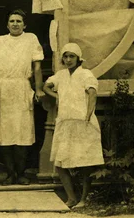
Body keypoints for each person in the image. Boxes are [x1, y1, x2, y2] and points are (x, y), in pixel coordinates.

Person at [0, 9, 44, 185]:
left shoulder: (31, 39)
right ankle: (10, 173)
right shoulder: (0, 41)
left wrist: (38, 89)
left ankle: (21, 173)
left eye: (19, 21)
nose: (15, 24)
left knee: (22, 132)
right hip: (3, 89)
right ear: (7, 25)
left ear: (25, 24)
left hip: (22, 87)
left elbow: (37, 67)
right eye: (12, 21)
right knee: (5, 133)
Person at [42, 43, 104, 209]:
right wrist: (58, 96)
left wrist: (88, 114)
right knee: (60, 163)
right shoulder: (60, 75)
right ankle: (71, 198)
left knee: (85, 162)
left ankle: (84, 199)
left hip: (82, 122)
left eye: (72, 56)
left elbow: (92, 93)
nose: (68, 60)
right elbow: (45, 86)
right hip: (65, 121)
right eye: (66, 56)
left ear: (78, 58)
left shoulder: (85, 74)